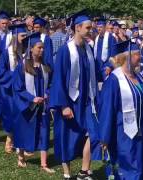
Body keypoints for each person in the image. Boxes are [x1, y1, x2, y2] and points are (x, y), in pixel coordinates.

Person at [49, 11, 100, 180]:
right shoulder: (66, 51)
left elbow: (96, 73)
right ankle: (67, 172)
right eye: (88, 27)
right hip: (71, 101)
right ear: (77, 28)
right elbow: (58, 79)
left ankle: (85, 171)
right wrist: (63, 105)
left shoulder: (89, 49)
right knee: (67, 136)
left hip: (87, 100)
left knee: (91, 134)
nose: (90, 30)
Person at [99, 40, 143, 180]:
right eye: (137, 54)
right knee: (127, 168)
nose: (140, 57)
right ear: (127, 56)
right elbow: (107, 109)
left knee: (141, 167)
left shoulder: (138, 77)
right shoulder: (114, 80)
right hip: (123, 134)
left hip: (141, 133)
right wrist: (104, 137)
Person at [12, 32, 55, 173]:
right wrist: (32, 98)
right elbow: (18, 88)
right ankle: (21, 158)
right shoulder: (22, 66)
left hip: (42, 107)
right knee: (23, 131)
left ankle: (44, 164)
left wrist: (47, 94)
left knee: (44, 132)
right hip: (27, 106)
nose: (42, 50)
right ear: (31, 48)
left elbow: (50, 85)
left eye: (43, 48)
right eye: (39, 48)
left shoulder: (45, 67)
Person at [0, 23, 27, 154]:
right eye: (22, 35)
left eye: (26, 35)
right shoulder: (6, 53)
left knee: (21, 115)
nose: (25, 38)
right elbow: (1, 73)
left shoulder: (24, 52)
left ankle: (20, 142)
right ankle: (9, 139)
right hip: (8, 90)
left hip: (21, 89)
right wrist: (17, 75)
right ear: (15, 36)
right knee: (11, 115)